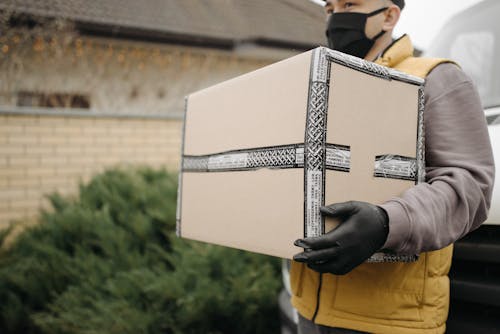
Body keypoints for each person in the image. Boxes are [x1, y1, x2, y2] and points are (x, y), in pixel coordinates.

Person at [290, 0, 495, 333]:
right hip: (307, 307)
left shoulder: (437, 78)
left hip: (386, 320)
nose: (336, 16)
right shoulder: (322, 84)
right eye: (329, 8)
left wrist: (386, 223)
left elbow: (469, 188)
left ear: (389, 16)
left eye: (349, 4)